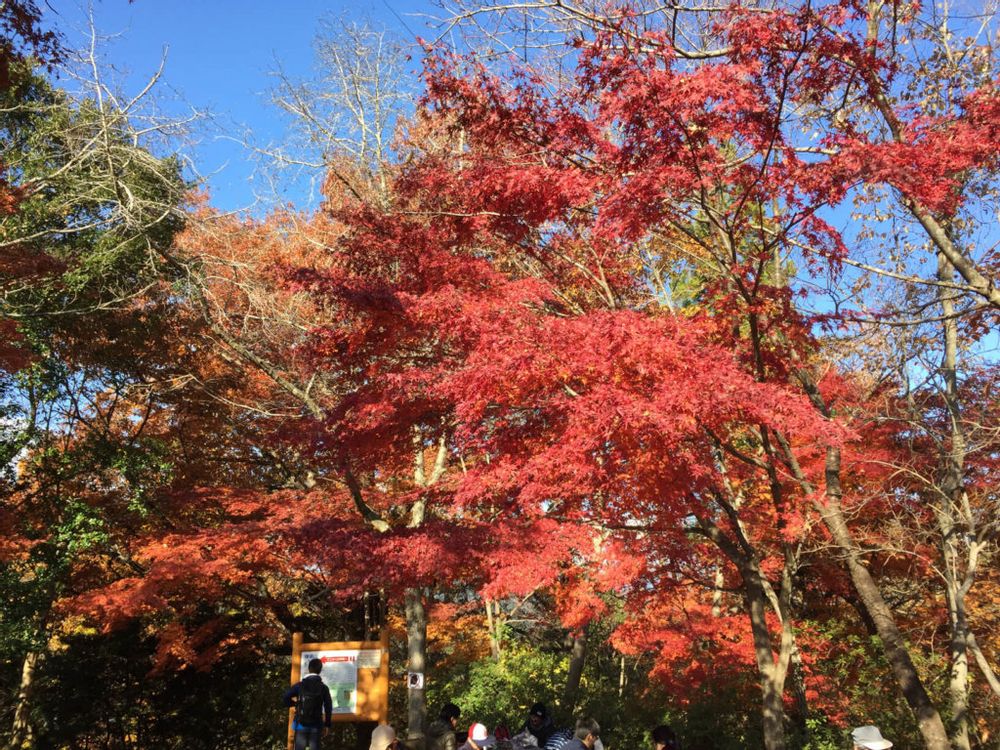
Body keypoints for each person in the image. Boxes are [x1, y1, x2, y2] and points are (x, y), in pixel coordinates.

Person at [283, 658, 333, 750]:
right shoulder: (323, 688)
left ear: (309, 669)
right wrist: (327, 724)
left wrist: (295, 704)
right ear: (320, 670)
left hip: (300, 724)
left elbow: (285, 697)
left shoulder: (300, 685)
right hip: (316, 725)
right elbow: (328, 707)